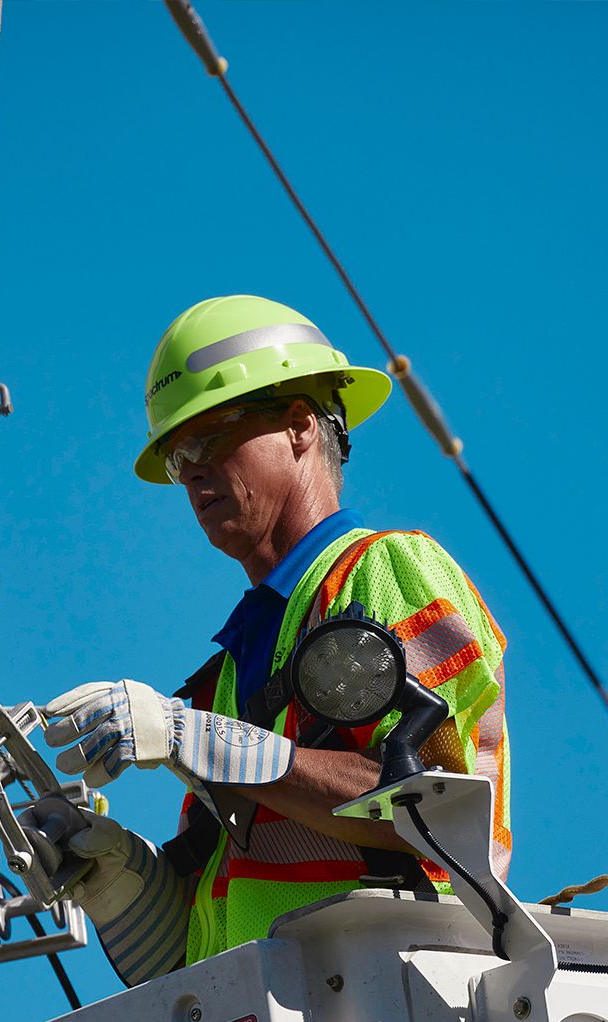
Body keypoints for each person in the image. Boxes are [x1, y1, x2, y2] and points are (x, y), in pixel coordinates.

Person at [33, 295, 511, 987]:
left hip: (395, 1004)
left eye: (209, 436)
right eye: (176, 454)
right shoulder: (225, 678)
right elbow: (199, 952)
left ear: (298, 427)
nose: (192, 470)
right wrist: (122, 881)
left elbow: (432, 809)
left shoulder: (381, 571)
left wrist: (198, 740)